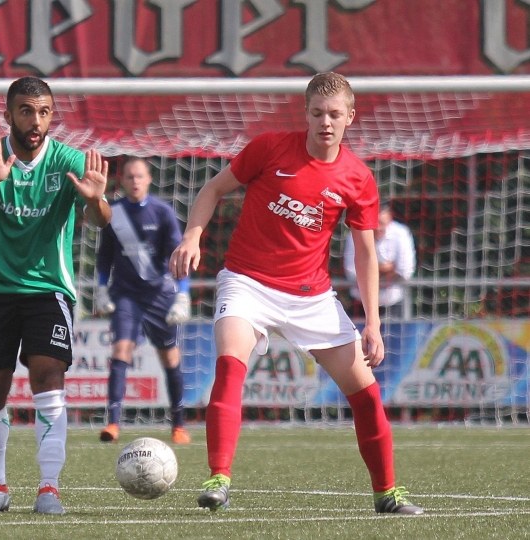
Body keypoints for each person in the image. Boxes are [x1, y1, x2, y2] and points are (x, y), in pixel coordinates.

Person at [169, 72, 423, 515]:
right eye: (318, 113)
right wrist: (192, 237)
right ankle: (218, 478)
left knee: (366, 393)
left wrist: (373, 323)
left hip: (312, 298)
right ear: (305, 114)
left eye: (335, 114)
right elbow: (213, 189)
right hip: (246, 282)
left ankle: (387, 493)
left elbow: (365, 253)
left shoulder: (358, 178)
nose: (326, 122)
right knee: (230, 365)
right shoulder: (269, 148)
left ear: (350, 118)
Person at [0, 76, 111, 515]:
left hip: (49, 290)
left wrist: (97, 201)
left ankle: (49, 487)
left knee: (48, 374)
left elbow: (101, 219)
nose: (36, 120)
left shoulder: (68, 159)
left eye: (44, 111)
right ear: (8, 115)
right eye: (26, 110)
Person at [94, 157, 192, 446]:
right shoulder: (113, 213)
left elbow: (178, 256)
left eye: (140, 176)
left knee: (170, 357)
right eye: (129, 177)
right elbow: (104, 258)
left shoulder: (162, 212)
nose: (135, 181)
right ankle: (112, 423)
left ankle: (179, 424)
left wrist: (182, 294)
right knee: (122, 348)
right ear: (122, 181)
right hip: (126, 295)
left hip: (160, 294)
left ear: (149, 179)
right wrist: (101, 289)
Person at [343, 204, 416, 319]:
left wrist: (368, 269)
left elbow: (405, 271)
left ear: (390, 219)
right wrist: (385, 269)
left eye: (382, 223)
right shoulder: (355, 234)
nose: (378, 228)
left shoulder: (401, 233)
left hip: (393, 303)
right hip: (360, 304)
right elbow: (351, 273)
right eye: (375, 224)